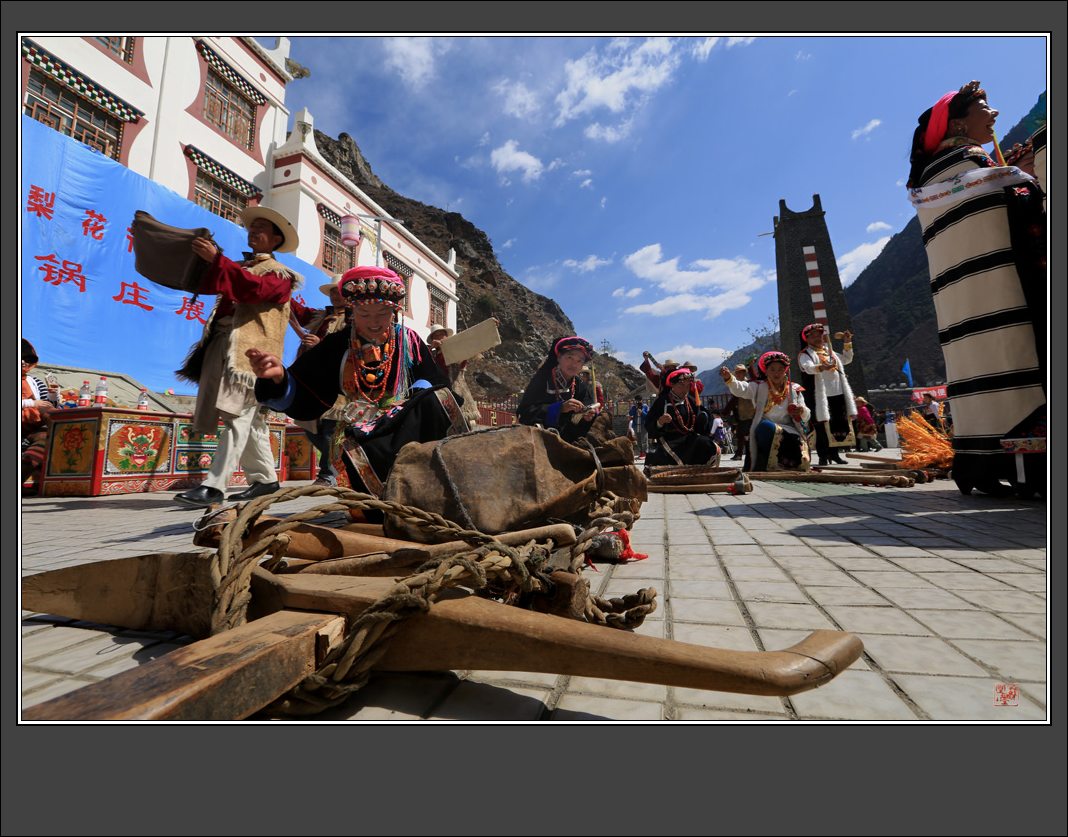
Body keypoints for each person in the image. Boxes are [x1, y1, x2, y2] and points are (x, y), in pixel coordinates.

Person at [907, 80, 1045, 496]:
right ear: (959, 123)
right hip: (1001, 292)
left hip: (967, 303)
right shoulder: (966, 164)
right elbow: (1018, 206)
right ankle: (1027, 463)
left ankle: (982, 462)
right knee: (1013, 365)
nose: (995, 113)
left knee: (977, 368)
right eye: (985, 108)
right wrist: (1030, 181)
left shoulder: (934, 178)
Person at [249, 266, 461, 498]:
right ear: (352, 311)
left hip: (404, 425)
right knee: (366, 491)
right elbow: (307, 388)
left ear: (395, 312)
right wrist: (280, 378)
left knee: (436, 401)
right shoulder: (337, 344)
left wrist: (404, 406)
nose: (374, 322)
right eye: (364, 314)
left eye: (382, 313)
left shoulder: (408, 341)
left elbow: (433, 382)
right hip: (360, 432)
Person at [173, 205, 301, 508]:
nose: (253, 232)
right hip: (224, 344)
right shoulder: (241, 268)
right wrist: (210, 260)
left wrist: (218, 261)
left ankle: (214, 486)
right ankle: (265, 481)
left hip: (251, 355)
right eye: (251, 228)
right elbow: (213, 283)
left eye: (261, 229)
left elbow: (252, 290)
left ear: (276, 240)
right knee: (251, 420)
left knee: (237, 414)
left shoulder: (280, 275)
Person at [289, 281, 350, 486]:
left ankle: (327, 474)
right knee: (309, 426)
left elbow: (348, 347)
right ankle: (342, 464)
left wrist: (320, 344)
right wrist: (284, 288)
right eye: (332, 292)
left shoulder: (354, 318)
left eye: (338, 292)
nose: (335, 296)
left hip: (337, 381)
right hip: (313, 381)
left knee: (330, 429)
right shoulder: (322, 316)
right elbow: (298, 312)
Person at [721, 351, 810, 472]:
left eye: (780, 369)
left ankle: (784, 463)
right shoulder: (758, 386)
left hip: (789, 429)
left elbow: (806, 415)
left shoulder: (794, 389)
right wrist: (729, 378)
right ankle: (767, 462)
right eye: (772, 369)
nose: (776, 373)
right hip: (766, 429)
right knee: (766, 427)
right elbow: (742, 389)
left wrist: (801, 411)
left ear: (785, 371)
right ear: (766, 371)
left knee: (797, 448)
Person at [517, 336, 600, 444]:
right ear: (559, 357)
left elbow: (582, 424)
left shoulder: (580, 386)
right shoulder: (543, 380)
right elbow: (524, 413)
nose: (574, 364)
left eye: (579, 361)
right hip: (539, 441)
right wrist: (559, 408)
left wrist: (587, 417)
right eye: (570, 357)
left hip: (568, 442)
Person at [797, 322, 857, 466]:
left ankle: (835, 455)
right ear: (807, 339)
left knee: (836, 425)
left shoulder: (829, 351)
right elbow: (808, 368)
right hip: (820, 396)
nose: (818, 338)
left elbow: (847, 359)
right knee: (821, 426)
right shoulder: (805, 354)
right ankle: (823, 456)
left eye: (819, 335)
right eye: (813, 336)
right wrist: (821, 367)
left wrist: (847, 343)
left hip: (837, 392)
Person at [645, 368, 719, 468]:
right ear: (672, 385)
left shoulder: (690, 401)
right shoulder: (662, 402)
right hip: (669, 440)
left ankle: (698, 471)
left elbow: (702, 423)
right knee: (663, 455)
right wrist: (659, 422)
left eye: (687, 386)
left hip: (689, 438)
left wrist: (703, 419)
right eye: (681, 385)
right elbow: (648, 424)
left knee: (706, 444)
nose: (685, 389)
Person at [21, 338, 59, 492]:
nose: (23, 362)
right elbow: (36, 404)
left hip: (34, 427)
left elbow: (47, 404)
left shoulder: (35, 381)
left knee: (48, 437)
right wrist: (31, 403)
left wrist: (52, 396)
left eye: (27, 359)